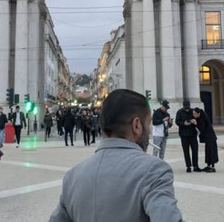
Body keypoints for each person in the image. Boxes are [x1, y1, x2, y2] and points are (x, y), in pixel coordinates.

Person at [49, 89, 183, 221]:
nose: (149, 131)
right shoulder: (154, 170)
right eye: (148, 124)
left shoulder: (73, 176)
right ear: (137, 125)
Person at [175, 99, 201, 172]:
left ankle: (195, 166)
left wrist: (194, 121)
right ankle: (188, 166)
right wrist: (183, 123)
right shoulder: (179, 112)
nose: (187, 109)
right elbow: (177, 121)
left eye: (188, 108)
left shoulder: (193, 111)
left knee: (195, 150)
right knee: (186, 151)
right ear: (183, 107)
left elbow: (198, 119)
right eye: (186, 108)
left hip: (193, 134)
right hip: (184, 135)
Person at [192, 107, 218, 172]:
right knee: (208, 151)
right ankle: (208, 165)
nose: (193, 115)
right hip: (207, 138)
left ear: (198, 113)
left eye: (195, 114)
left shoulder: (203, 118)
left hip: (210, 137)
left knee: (212, 152)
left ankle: (212, 167)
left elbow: (202, 128)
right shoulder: (200, 117)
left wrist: (196, 124)